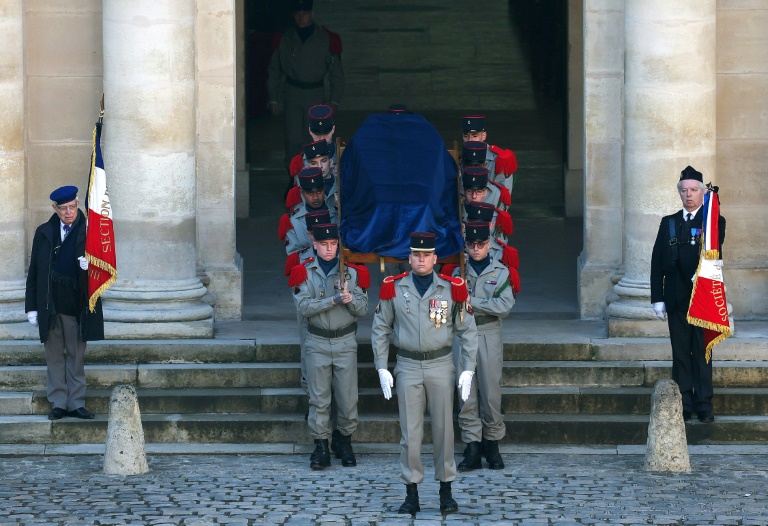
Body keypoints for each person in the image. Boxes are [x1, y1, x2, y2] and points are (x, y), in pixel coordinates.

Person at [371, 232, 478, 515]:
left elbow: (468, 331)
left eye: (426, 255)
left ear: (434, 258)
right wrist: (382, 366)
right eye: (416, 255)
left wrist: (468, 370)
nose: (421, 260)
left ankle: (446, 491)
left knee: (444, 431)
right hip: (407, 366)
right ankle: (412, 492)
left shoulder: (451, 288)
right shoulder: (394, 288)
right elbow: (380, 328)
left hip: (441, 365)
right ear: (409, 258)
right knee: (410, 434)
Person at [290, 223, 369, 469]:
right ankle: (320, 445)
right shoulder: (303, 272)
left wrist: (350, 299)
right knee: (319, 399)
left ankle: (343, 440)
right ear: (314, 244)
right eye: (324, 244)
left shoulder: (353, 273)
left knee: (347, 399)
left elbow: (363, 309)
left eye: (333, 244)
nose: (328, 249)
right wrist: (332, 300)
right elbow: (304, 308)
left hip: (345, 340)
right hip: (317, 340)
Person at [650, 166, 726, 424]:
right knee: (681, 352)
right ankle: (684, 402)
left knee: (702, 351)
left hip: (702, 298)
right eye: (684, 191)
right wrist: (657, 298)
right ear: (679, 194)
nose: (689, 195)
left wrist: (712, 210)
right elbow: (656, 263)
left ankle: (704, 403)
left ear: (703, 193)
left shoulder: (713, 221)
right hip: (676, 298)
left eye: (694, 190)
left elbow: (716, 249)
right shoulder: (668, 222)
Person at [25, 186, 104, 420]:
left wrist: (91, 268)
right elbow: (35, 272)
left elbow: (105, 267)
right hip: (50, 305)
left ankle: (77, 402)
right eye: (63, 208)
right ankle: (59, 402)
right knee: (55, 356)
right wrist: (31, 307)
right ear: (55, 209)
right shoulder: (44, 232)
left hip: (76, 304)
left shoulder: (89, 231)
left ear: (77, 205)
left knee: (76, 355)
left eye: (72, 207)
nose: (69, 212)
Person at [450, 221, 514, 471]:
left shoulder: (500, 272)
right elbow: (451, 305)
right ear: (466, 245)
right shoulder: (457, 274)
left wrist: (471, 300)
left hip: (488, 332)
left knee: (490, 391)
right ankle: (471, 445)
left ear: (489, 244)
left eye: (481, 244)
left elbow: (503, 307)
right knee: (465, 392)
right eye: (471, 244)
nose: (476, 249)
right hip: (463, 333)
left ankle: (493, 442)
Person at [267, 0, 344, 168]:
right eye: (298, 14)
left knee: (315, 139)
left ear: (312, 14)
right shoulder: (285, 38)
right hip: (292, 93)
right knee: (292, 139)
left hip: (316, 93)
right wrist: (274, 98)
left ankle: (315, 177)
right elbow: (275, 69)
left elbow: (336, 74)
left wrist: (334, 100)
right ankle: (294, 177)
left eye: (305, 13)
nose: (301, 17)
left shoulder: (326, 39)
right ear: (294, 15)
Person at [461, 115, 518, 192]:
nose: (470, 140)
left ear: (483, 136)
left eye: (474, 136)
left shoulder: (499, 159)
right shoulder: (461, 159)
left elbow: (504, 193)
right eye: (466, 136)